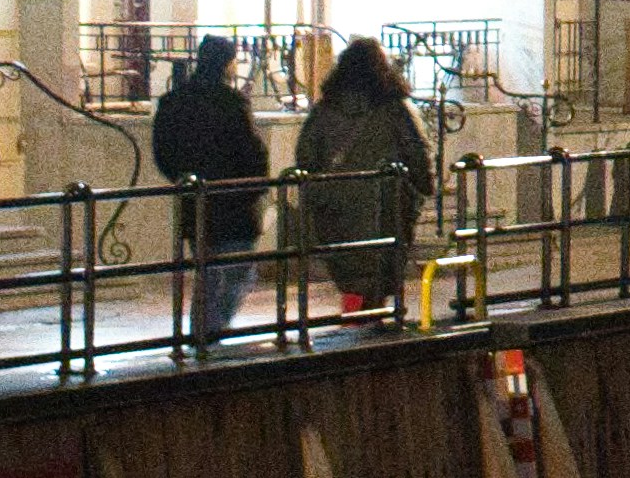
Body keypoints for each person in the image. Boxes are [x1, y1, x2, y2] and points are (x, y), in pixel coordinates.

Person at [290, 28, 433, 330]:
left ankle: (355, 324)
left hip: (335, 213)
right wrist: (423, 185)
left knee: (353, 278)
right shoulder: (396, 109)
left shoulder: (324, 110)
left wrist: (321, 191)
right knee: (376, 276)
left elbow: (305, 156)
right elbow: (417, 153)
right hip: (384, 209)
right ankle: (368, 329)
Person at [148, 31, 268, 358]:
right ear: (227, 64)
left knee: (208, 270)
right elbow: (253, 153)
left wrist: (185, 179)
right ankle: (207, 335)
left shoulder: (174, 102)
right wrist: (254, 188)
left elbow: (163, 152)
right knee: (236, 271)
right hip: (233, 203)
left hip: (195, 200)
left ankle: (202, 333)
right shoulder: (232, 104)